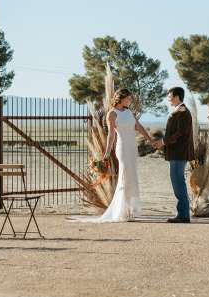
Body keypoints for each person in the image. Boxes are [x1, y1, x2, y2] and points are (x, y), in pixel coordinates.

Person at [72, 88, 152, 223]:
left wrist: (150, 139)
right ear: (121, 98)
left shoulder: (128, 112)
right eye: (128, 98)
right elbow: (111, 135)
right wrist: (107, 152)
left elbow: (138, 126)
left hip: (132, 148)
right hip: (122, 148)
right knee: (124, 176)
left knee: (132, 176)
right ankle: (121, 211)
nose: (130, 100)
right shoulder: (112, 114)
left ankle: (129, 210)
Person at [153, 87, 195, 223]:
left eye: (170, 96)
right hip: (176, 153)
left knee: (178, 183)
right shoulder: (179, 110)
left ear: (177, 96)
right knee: (177, 182)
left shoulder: (182, 112)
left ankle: (183, 215)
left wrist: (163, 142)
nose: (168, 98)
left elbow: (179, 134)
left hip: (179, 153)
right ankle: (182, 213)